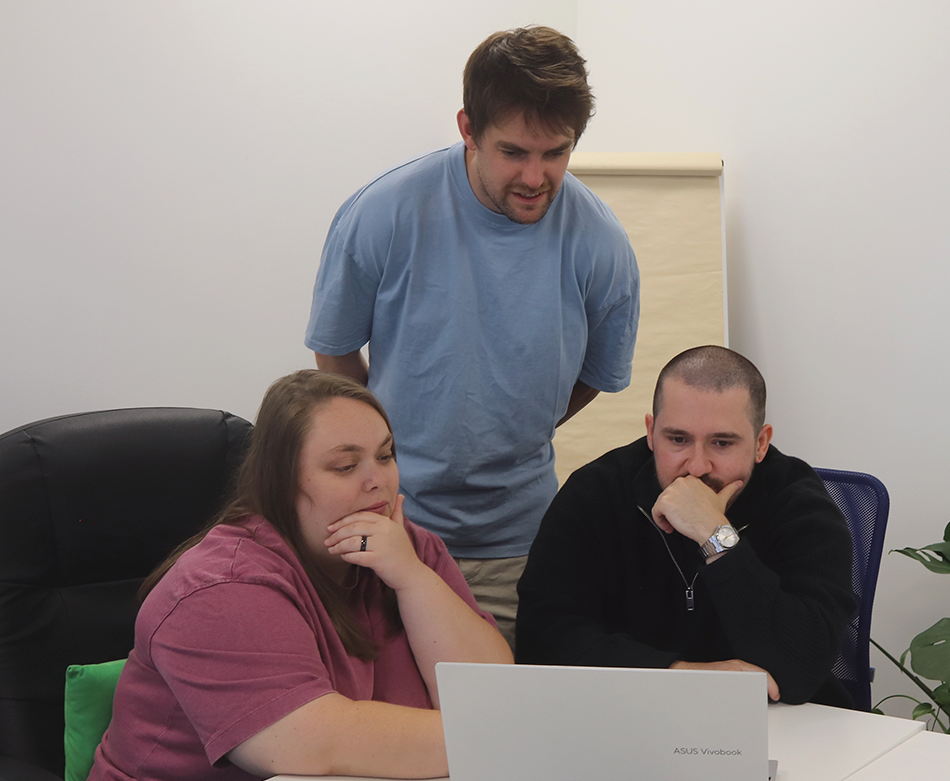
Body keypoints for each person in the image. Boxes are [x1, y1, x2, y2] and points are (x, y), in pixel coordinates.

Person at [304, 26, 640, 644]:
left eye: (556, 153)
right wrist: (384, 453)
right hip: (387, 522)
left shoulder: (601, 244)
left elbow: (597, 374)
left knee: (502, 727)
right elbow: (335, 353)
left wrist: (512, 424)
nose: (536, 177)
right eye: (514, 152)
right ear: (468, 128)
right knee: (388, 723)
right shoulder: (383, 214)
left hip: (519, 542)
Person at [89, 370, 512, 781]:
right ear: (283, 482)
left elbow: (492, 694)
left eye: (385, 456)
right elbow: (306, 742)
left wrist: (412, 578)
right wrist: (500, 739)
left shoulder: (407, 548)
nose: (377, 481)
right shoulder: (221, 587)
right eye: (345, 466)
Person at [516, 346, 856, 707]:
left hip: (782, 725)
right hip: (632, 713)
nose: (696, 467)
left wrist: (716, 536)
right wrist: (680, 673)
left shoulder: (801, 506)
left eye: (722, 443)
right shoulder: (595, 492)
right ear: (651, 432)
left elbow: (801, 669)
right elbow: (541, 641)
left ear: (760, 443)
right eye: (677, 440)